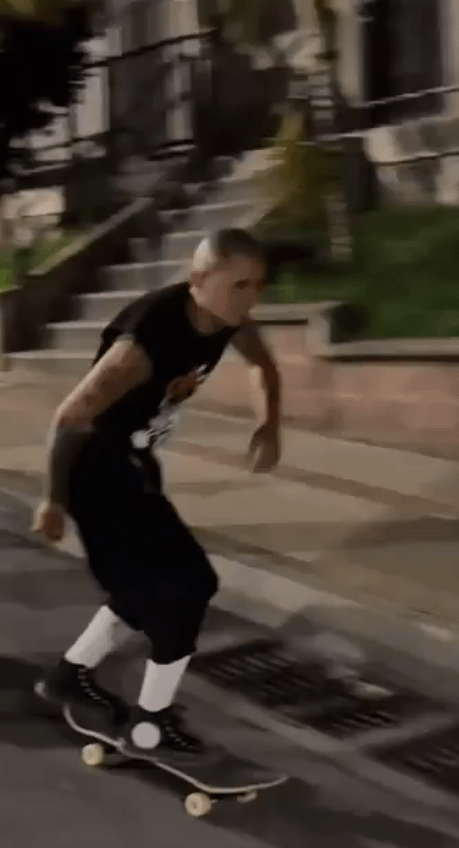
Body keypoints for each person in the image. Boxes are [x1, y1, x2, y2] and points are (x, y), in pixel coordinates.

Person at [32, 226, 282, 758]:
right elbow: (70, 416)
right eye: (239, 286)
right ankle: (149, 726)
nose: (251, 298)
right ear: (198, 281)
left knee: (145, 586)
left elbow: (264, 365)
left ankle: (68, 677)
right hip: (94, 473)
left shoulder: (224, 318)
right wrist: (53, 499)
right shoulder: (145, 344)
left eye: (257, 286)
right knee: (186, 587)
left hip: (135, 466)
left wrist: (269, 425)